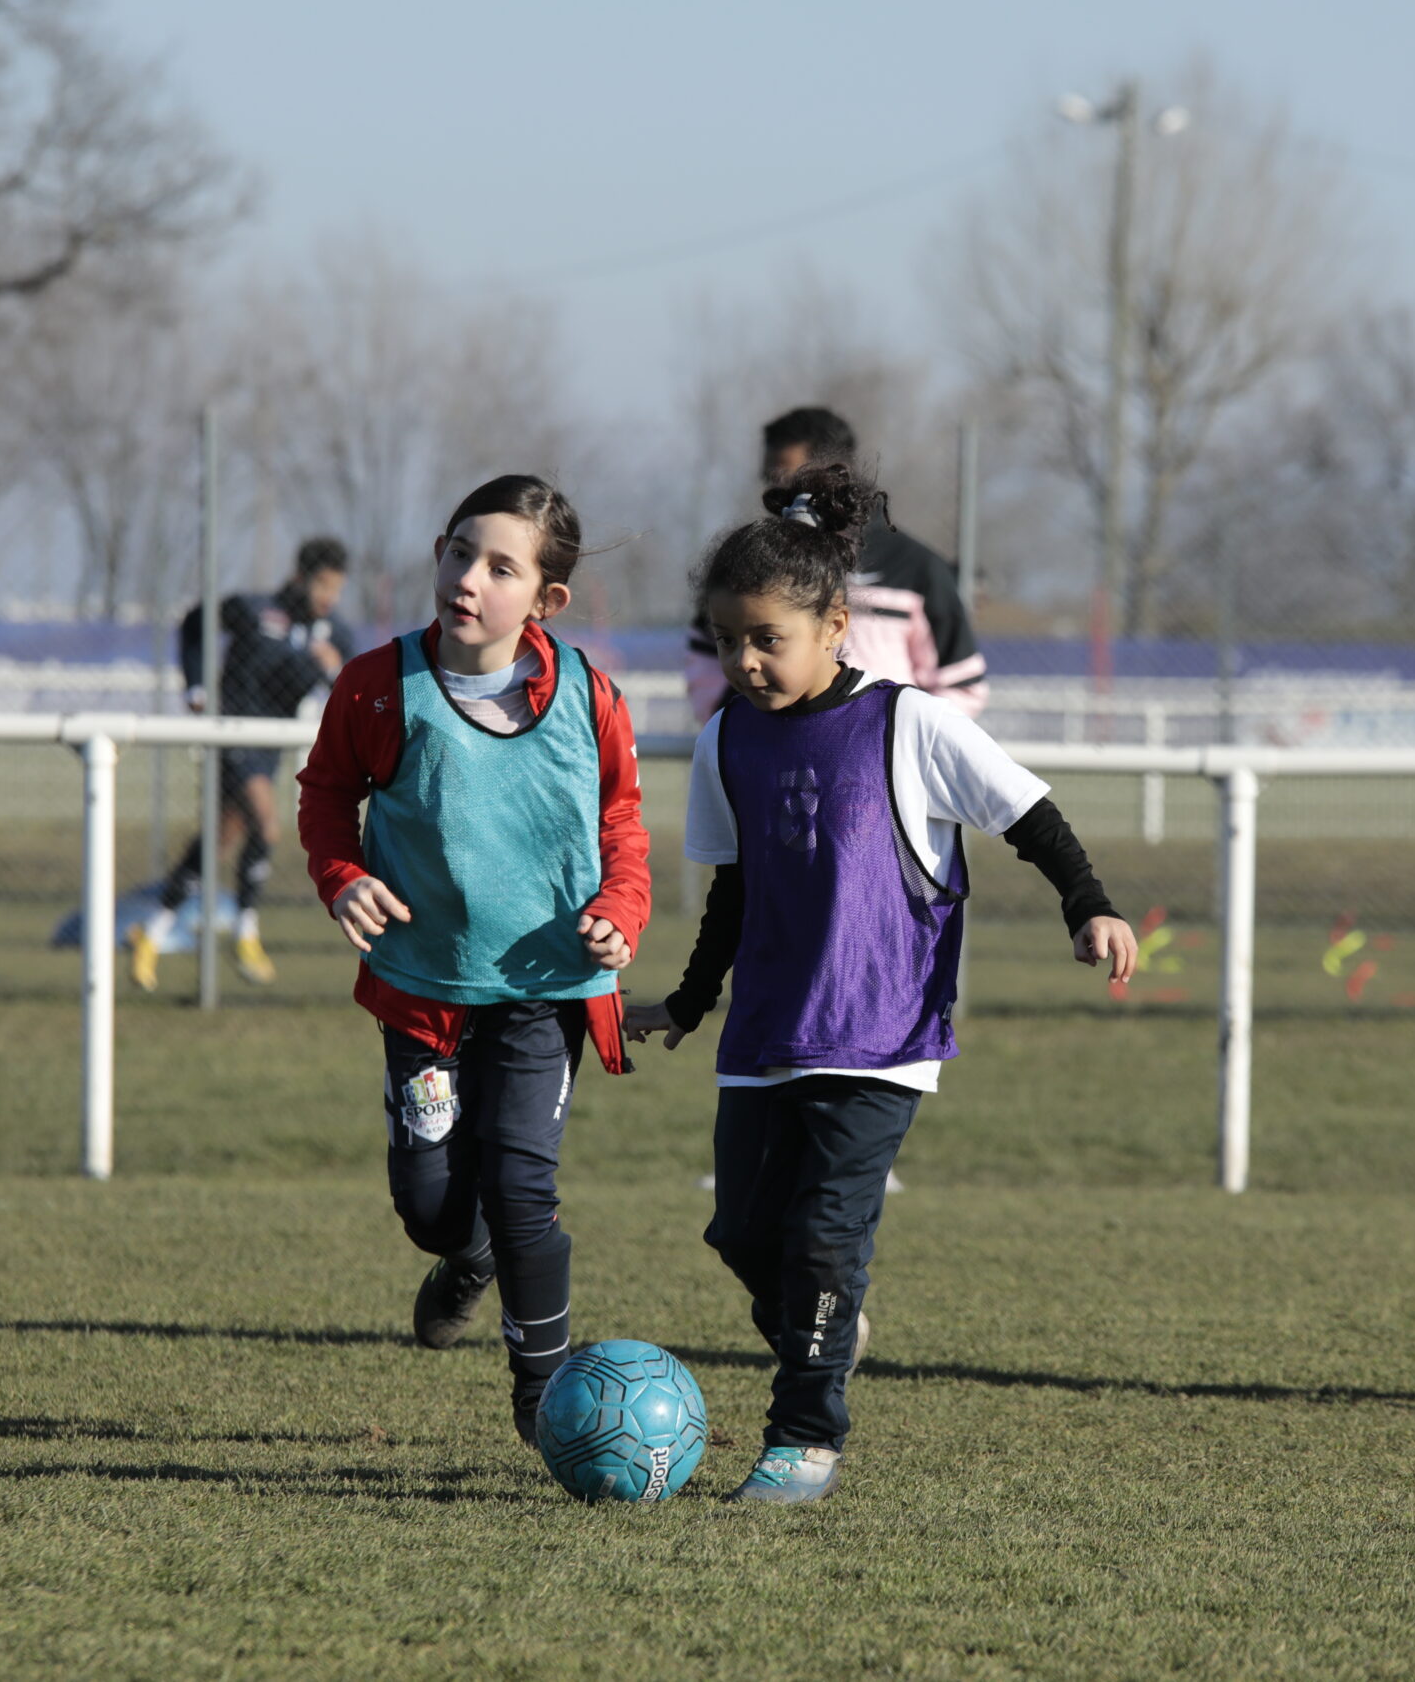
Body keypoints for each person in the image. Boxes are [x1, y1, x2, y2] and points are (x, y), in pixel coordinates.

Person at [626, 465, 1139, 1503]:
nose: (745, 660)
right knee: (741, 1233)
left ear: (834, 624)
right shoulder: (726, 741)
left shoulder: (913, 724)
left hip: (881, 1036)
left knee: (823, 1236)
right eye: (727, 640)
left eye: (767, 637)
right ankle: (829, 1324)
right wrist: (686, 1003)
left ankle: (804, 1437)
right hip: (764, 1032)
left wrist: (1088, 902)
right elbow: (731, 893)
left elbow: (1029, 815)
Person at [295, 476, 650, 1445]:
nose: (469, 580)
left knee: (525, 1185)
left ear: (546, 600)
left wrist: (622, 910)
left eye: (501, 567)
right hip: (425, 997)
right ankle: (465, 1255)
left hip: (545, 989)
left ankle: (543, 1399)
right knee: (434, 1206)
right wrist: (341, 875)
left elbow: (621, 823)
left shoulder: (590, 696)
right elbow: (326, 794)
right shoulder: (377, 684)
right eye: (459, 552)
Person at [127, 537, 354, 991]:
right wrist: (194, 686)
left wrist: (332, 670)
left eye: (338, 587)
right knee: (267, 827)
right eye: (323, 584)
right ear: (300, 577)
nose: (330, 596)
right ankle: (246, 930)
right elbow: (194, 623)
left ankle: (150, 931)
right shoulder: (254, 610)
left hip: (269, 748)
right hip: (232, 734)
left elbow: (348, 693)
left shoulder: (332, 633)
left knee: (220, 842)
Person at [683, 406, 988, 725]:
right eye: (769, 480)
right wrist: (737, 726)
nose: (779, 494)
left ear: (838, 471)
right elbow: (705, 659)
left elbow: (961, 684)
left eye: (787, 478)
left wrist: (895, 742)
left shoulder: (916, 568)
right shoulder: (746, 568)